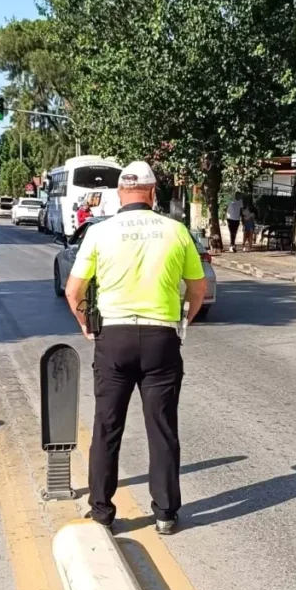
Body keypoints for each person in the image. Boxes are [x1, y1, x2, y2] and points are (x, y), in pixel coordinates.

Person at [65, 161, 208, 535]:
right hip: (161, 339)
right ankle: (165, 513)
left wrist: (85, 323)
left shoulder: (100, 232)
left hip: (114, 338)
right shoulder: (177, 232)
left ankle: (101, 513)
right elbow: (197, 290)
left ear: (118, 193)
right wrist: (182, 322)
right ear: (153, 191)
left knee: (107, 426)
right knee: (162, 429)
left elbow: (74, 290)